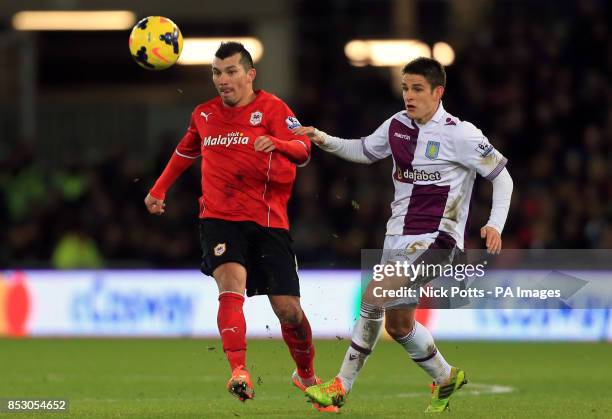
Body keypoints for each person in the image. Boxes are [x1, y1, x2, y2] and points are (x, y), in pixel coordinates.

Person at [293, 57, 513, 413]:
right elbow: (363, 151)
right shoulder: (397, 125)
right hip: (398, 239)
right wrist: (321, 138)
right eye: (405, 88)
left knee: (374, 296)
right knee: (398, 325)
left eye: (417, 89)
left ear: (438, 92)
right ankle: (445, 377)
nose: (409, 96)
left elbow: (502, 177)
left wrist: (495, 224)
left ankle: (340, 385)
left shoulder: (460, 133)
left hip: (439, 241)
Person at [144, 42, 336, 411]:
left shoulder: (273, 108)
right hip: (218, 219)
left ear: (250, 75)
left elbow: (304, 150)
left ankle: (307, 375)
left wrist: (277, 143)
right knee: (230, 287)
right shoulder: (203, 115)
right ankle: (238, 371)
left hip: (267, 221)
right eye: (216, 72)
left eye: (231, 71)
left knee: (288, 311)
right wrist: (158, 189)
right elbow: (187, 150)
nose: (222, 79)